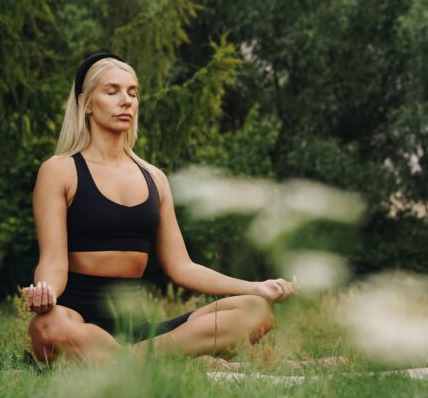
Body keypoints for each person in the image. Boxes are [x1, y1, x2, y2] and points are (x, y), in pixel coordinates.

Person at [24, 52, 295, 363]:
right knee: (48, 325)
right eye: (112, 92)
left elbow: (182, 267)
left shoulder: (154, 177)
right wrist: (45, 292)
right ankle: (161, 361)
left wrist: (256, 288)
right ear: (86, 103)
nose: (125, 101)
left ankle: (127, 362)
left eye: (132, 92)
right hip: (77, 321)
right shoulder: (59, 170)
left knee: (254, 310)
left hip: (140, 331)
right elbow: (53, 261)